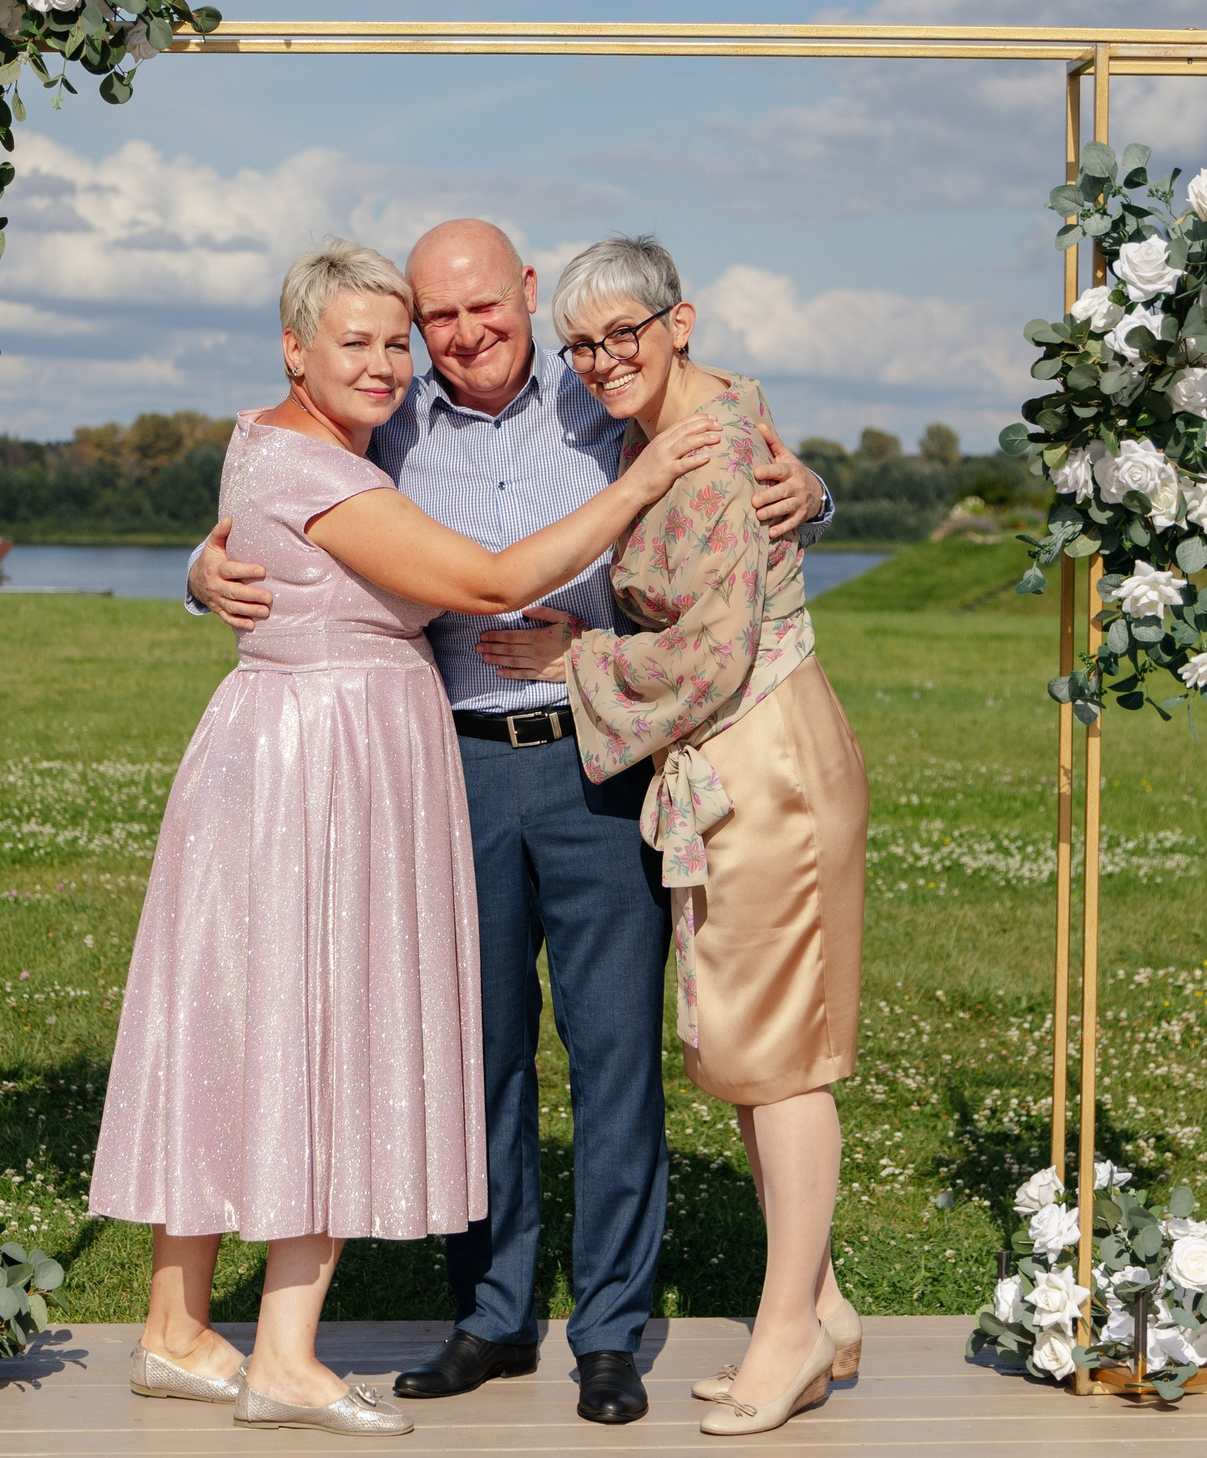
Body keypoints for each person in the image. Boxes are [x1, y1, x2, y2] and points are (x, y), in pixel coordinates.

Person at [186, 219, 832, 1426]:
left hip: (598, 762)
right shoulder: (387, 417)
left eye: (485, 306)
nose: (464, 333)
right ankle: (488, 1314)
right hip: (450, 770)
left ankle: (608, 1329)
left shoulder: (608, 397)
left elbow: (745, 475)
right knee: (471, 1052)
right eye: (440, 317)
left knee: (612, 1055)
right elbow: (276, 482)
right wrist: (195, 568)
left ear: (527, 294)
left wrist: (817, 489)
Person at [489, 235, 867, 1438]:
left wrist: (576, 660)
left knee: (780, 1055)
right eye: (582, 343)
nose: (602, 360)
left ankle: (788, 1336)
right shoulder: (693, 416)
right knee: (750, 1048)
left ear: (681, 321)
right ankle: (825, 1308)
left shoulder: (715, 452)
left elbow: (713, 651)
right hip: (732, 760)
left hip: (763, 756)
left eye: (624, 336)